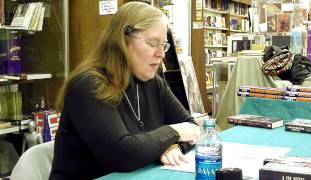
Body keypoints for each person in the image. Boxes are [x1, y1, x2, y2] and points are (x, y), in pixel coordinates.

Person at [49, 2, 201, 179]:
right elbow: (123, 154)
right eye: (153, 43)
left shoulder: (153, 82)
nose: (161, 54)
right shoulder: (88, 85)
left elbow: (192, 128)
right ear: (123, 40)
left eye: (164, 45)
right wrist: (175, 132)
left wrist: (174, 146)